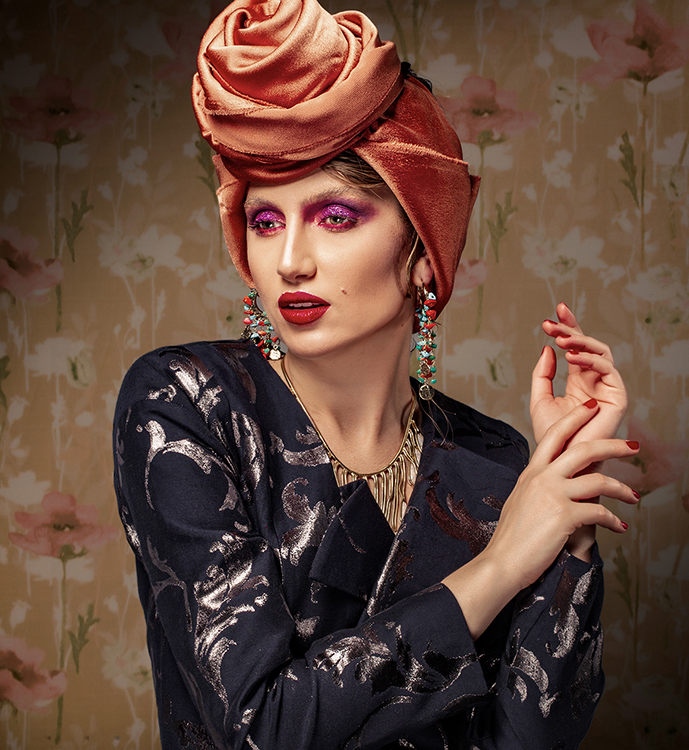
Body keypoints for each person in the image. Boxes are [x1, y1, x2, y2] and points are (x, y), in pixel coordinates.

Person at [113, 1, 638, 747]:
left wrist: (566, 513)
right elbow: (262, 728)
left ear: (424, 247)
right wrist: (500, 565)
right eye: (265, 221)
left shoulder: (492, 460)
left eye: (335, 217)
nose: (290, 260)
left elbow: (527, 739)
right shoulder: (187, 404)